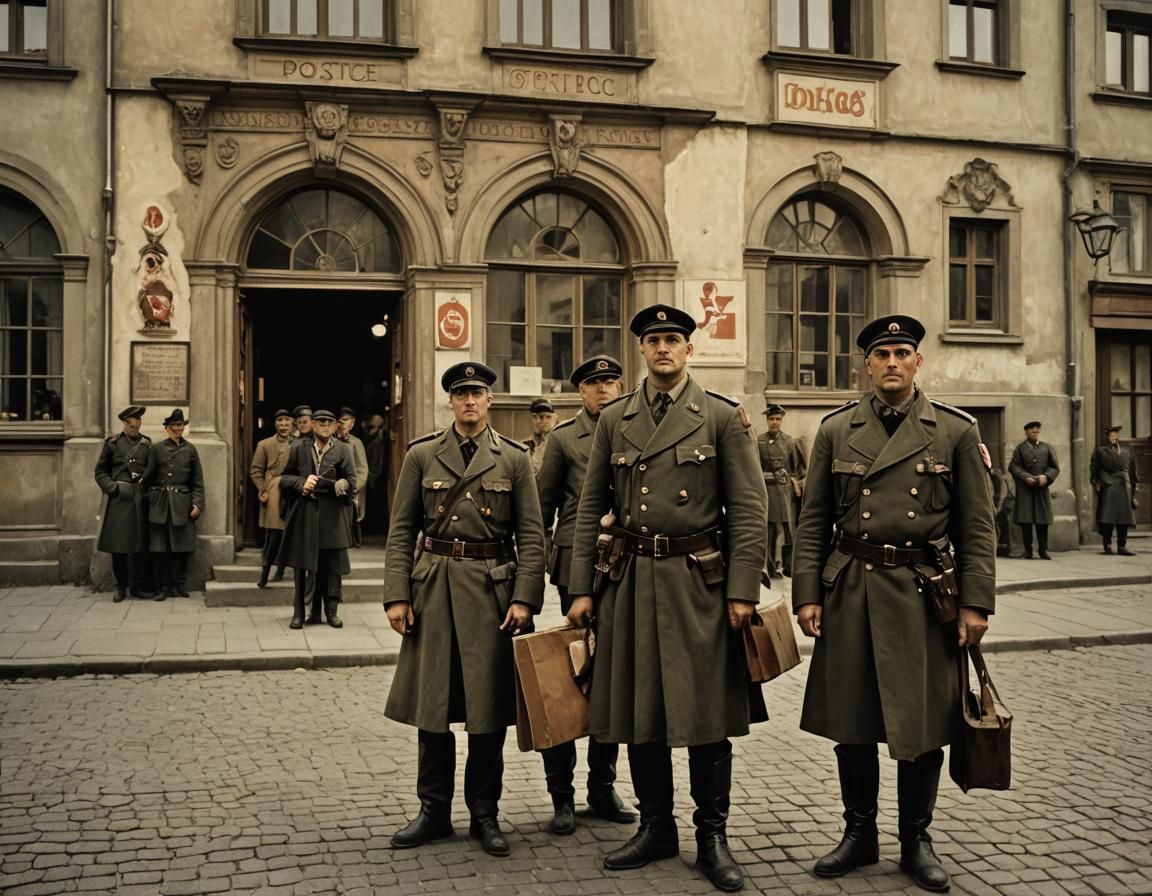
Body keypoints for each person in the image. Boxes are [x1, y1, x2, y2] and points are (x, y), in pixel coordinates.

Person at [566, 305, 769, 893]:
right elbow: (588, 507)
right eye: (653, 340)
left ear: (688, 349)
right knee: (639, 710)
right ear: (641, 350)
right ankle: (656, 826)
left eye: (673, 340)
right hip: (630, 580)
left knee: (707, 715)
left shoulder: (722, 417)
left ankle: (712, 837)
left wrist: (742, 591)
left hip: (697, 583)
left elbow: (749, 510)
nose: (662, 349)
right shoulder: (615, 419)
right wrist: (581, 587)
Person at [791, 315, 996, 894]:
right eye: (881, 354)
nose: (891, 363)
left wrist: (976, 604)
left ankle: (916, 839)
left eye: (902, 352)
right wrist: (807, 593)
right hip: (852, 587)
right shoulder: (835, 430)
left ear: (918, 362)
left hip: (923, 593)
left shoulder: (953, 432)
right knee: (852, 722)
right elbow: (813, 524)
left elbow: (977, 527)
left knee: (921, 724)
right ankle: (858, 834)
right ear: (866, 363)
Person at [384, 362, 546, 859]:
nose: (470, 401)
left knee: (486, 713)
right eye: (461, 393)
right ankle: (432, 812)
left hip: (492, 595)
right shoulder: (422, 455)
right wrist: (397, 595)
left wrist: (523, 598)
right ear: (450, 402)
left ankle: (484, 813)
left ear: (490, 400)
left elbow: (532, 537)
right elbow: (401, 529)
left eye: (477, 392)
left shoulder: (514, 459)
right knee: (432, 709)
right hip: (432, 590)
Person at [535, 355, 632, 835]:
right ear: (581, 392)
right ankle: (562, 794)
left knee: (609, 676)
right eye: (596, 384)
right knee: (569, 675)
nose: (606, 390)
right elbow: (541, 510)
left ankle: (602, 786)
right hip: (576, 567)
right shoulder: (561, 439)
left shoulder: (633, 426)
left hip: (624, 565)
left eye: (613, 382)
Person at [276, 409, 357, 629]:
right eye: (320, 422)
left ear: (335, 426)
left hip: (332, 516)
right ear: (312, 425)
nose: (325, 426)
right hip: (306, 513)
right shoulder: (298, 448)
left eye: (329, 422)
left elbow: (352, 480)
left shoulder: (343, 449)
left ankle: (331, 612)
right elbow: (284, 478)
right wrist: (301, 483)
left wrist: (344, 485)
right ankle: (299, 612)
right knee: (301, 565)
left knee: (331, 567)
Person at [143, 409, 206, 600]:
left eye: (180, 426)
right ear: (167, 429)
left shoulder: (190, 449)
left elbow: (197, 481)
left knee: (182, 547)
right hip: (160, 505)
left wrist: (197, 504)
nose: (177, 429)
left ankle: (179, 585)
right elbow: (148, 477)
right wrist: (151, 498)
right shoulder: (157, 449)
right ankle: (163, 587)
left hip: (181, 504)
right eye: (173, 427)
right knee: (160, 548)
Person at [94, 406, 153, 601]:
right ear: (125, 423)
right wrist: (113, 488)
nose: (135, 427)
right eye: (132, 424)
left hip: (139, 499)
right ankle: (121, 587)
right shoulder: (112, 444)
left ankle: (137, 587)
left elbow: (151, 471)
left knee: (139, 546)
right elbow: (100, 472)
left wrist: (144, 482)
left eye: (138, 424)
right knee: (118, 547)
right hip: (119, 499)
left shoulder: (147, 444)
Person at [758, 403, 807, 579]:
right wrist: (768, 476)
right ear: (767, 420)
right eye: (771, 419)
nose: (774, 423)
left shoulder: (790, 442)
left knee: (790, 530)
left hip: (787, 493)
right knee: (770, 531)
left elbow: (801, 469)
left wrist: (794, 481)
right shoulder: (759, 442)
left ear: (782, 420)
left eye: (778, 419)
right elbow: (754, 468)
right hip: (769, 491)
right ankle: (771, 568)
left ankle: (789, 567)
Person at [249, 409, 293, 587]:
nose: (283, 425)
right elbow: (256, 470)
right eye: (280, 421)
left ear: (293, 423)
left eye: (287, 421)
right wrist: (262, 489)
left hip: (293, 489)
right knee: (275, 532)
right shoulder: (264, 444)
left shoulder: (299, 444)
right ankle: (266, 571)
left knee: (291, 532)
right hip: (273, 490)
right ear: (275, 424)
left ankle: (282, 568)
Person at [1008, 421, 1059, 560]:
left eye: (1037, 431)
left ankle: (1043, 550)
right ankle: (1028, 550)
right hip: (1025, 489)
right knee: (1026, 521)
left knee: (1043, 521)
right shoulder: (1020, 449)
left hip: (1041, 488)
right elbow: (1013, 467)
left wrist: (1046, 476)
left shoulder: (1047, 448)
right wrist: (1025, 477)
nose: (1035, 433)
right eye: (1032, 431)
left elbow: (1054, 467)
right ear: (1026, 432)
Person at [1090, 425, 1140, 556]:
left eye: (1115, 435)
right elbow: (1094, 469)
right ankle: (1107, 545)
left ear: (1118, 436)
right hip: (1109, 486)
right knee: (1108, 517)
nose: (1113, 437)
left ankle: (1122, 546)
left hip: (1125, 487)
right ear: (1107, 437)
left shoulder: (1127, 451)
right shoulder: (1100, 451)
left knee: (1124, 518)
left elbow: (1133, 472)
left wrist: (1133, 493)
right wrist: (1096, 482)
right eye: (1111, 435)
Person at [337, 407, 370, 526]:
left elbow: (363, 469)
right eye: (342, 420)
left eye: (348, 420)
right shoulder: (332, 441)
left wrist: (354, 487)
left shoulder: (356, 443)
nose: (344, 424)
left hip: (352, 487)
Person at [525, 397, 558, 475]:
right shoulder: (525, 447)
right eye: (535, 417)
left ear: (555, 419)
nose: (543, 421)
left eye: (548, 417)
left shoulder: (561, 445)